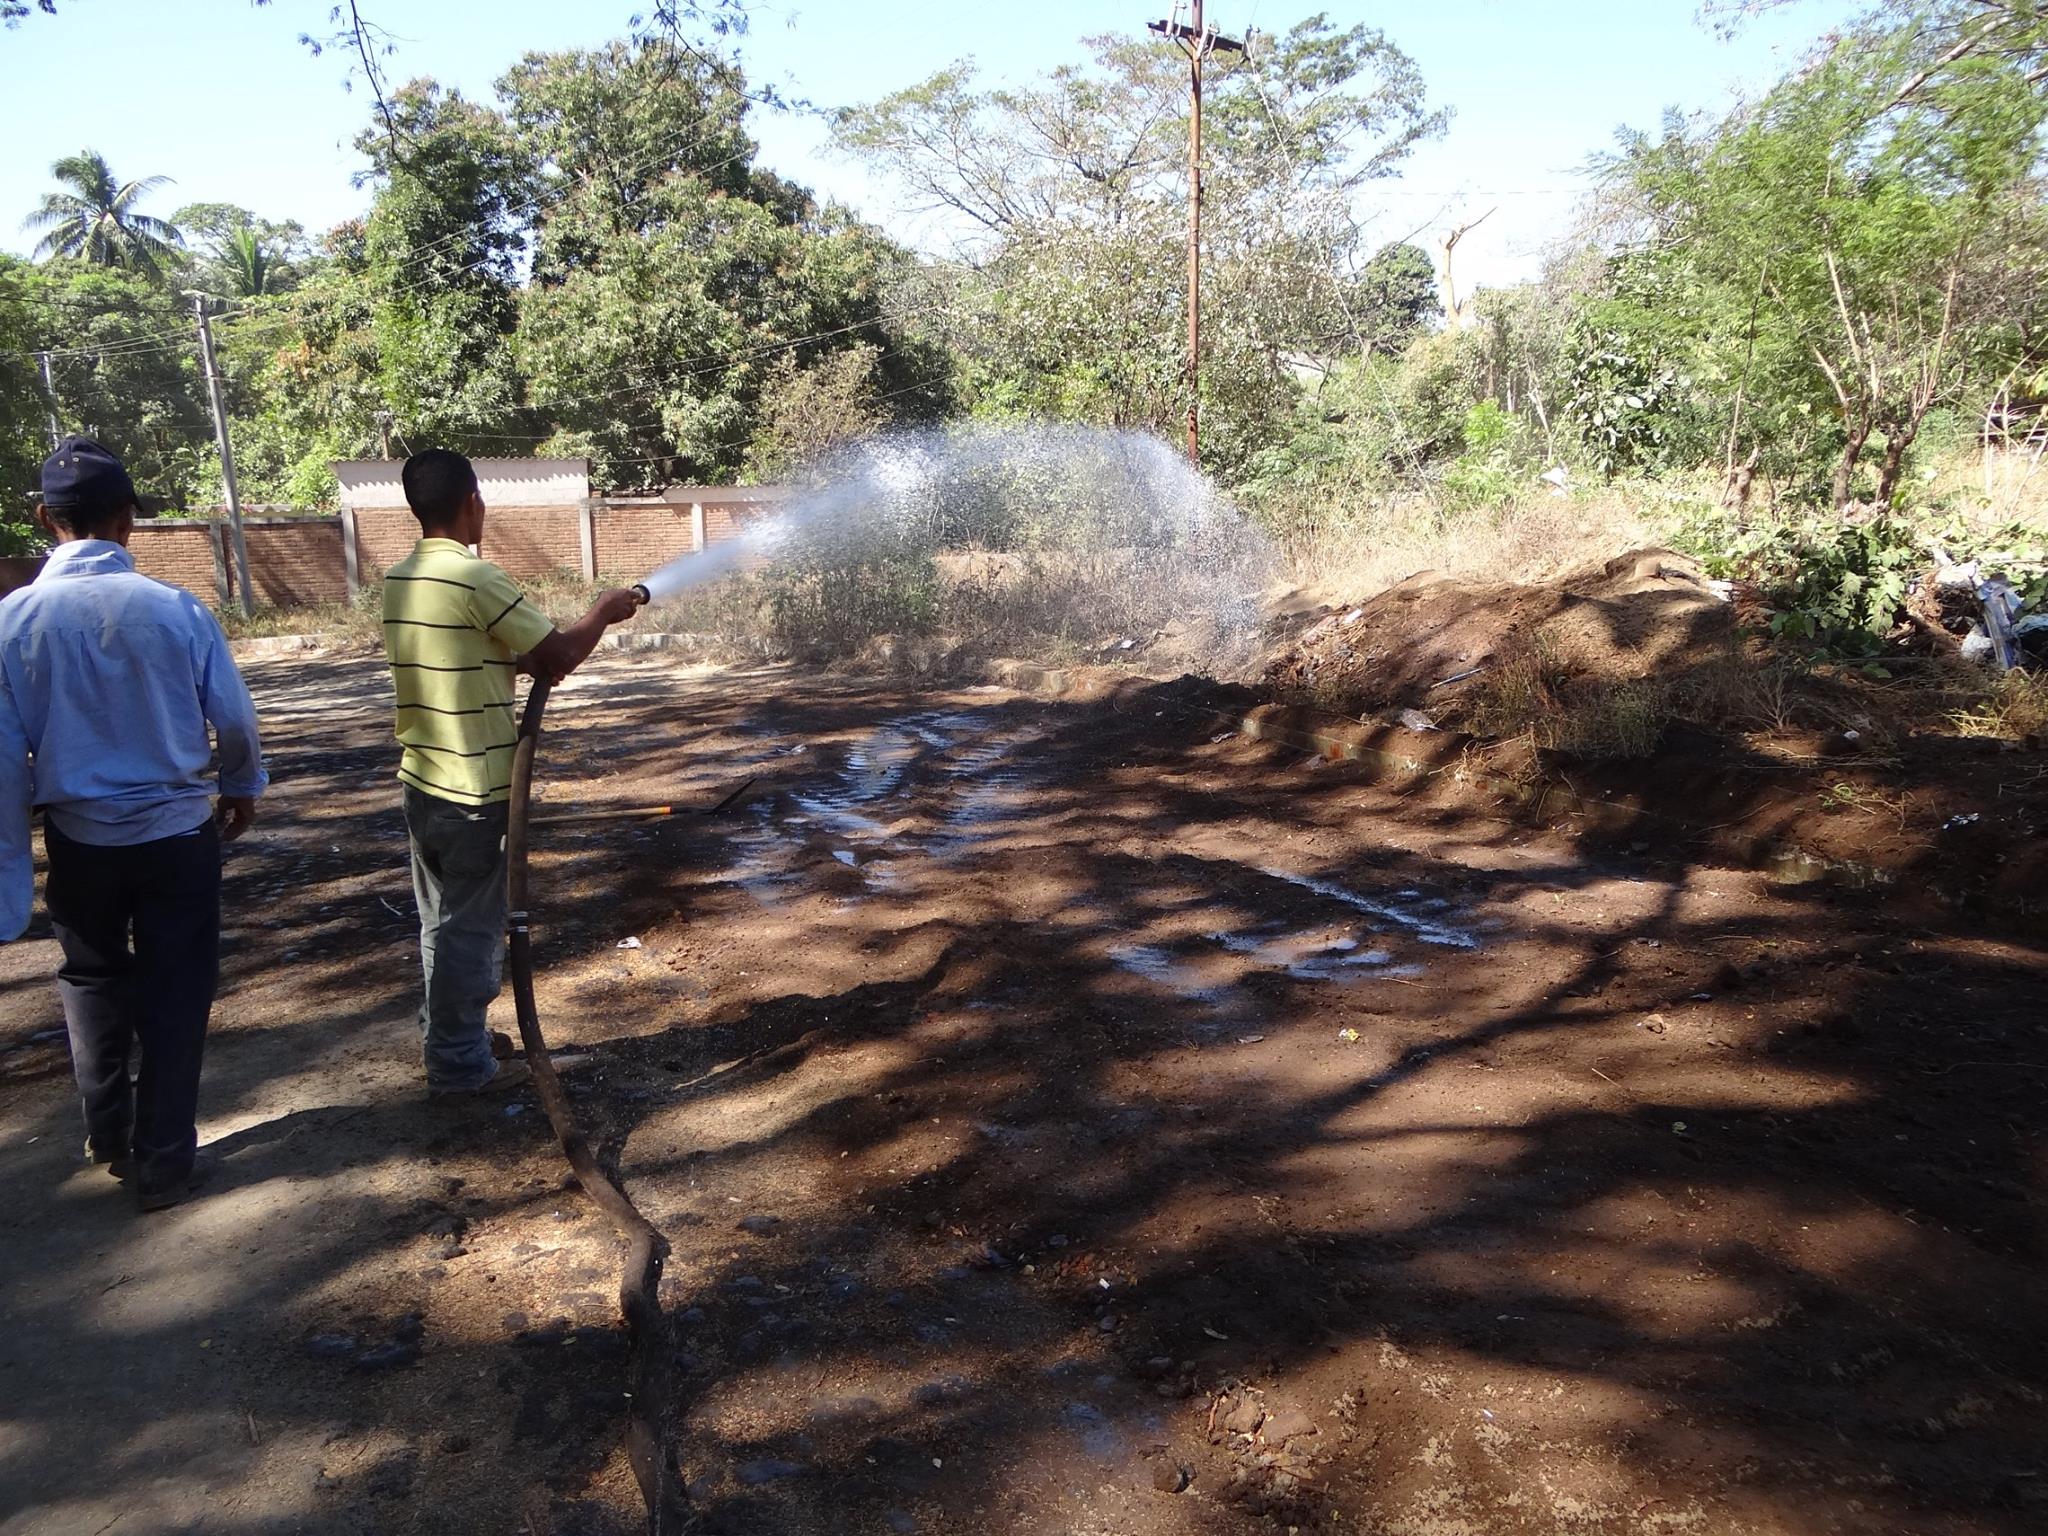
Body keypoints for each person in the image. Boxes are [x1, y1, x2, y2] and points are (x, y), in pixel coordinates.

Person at [0, 437, 268, 1212]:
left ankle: (108, 1131)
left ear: (46, 519)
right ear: (127, 520)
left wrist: (13, 861)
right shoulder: (174, 608)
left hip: (80, 840)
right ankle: (163, 1161)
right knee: (177, 991)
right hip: (179, 837)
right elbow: (235, 720)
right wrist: (241, 786)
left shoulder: (13, 622)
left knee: (89, 979)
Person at [384, 449, 640, 1097]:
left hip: (422, 783)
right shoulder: (476, 579)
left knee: (440, 921)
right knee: (470, 926)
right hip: (475, 793)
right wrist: (604, 612)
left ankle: (448, 1032)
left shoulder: (402, 579)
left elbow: (468, 656)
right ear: (472, 500)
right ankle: (458, 1063)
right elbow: (555, 657)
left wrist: (517, 663)